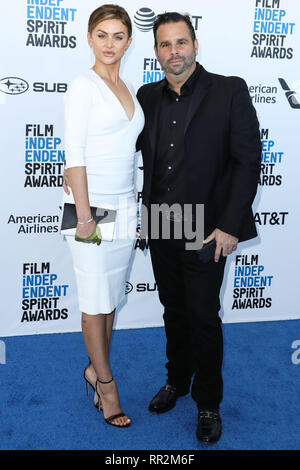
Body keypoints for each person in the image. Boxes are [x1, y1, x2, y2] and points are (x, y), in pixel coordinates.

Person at [136, 12, 261, 444]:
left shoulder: (228, 89)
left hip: (207, 227)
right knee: (173, 310)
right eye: (166, 45)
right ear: (156, 52)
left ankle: (208, 401)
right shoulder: (146, 96)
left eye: (181, 42)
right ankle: (177, 380)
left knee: (204, 315)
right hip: (161, 221)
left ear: (194, 43)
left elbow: (248, 161)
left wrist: (229, 226)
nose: (174, 52)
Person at [62, 4, 144, 428]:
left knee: (110, 299)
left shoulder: (128, 85)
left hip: (127, 205)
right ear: (89, 38)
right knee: (95, 304)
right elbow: (73, 156)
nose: (109, 44)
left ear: (129, 41)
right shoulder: (83, 85)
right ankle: (107, 387)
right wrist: (83, 217)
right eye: (102, 35)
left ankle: (95, 369)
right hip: (90, 210)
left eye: (118, 36)